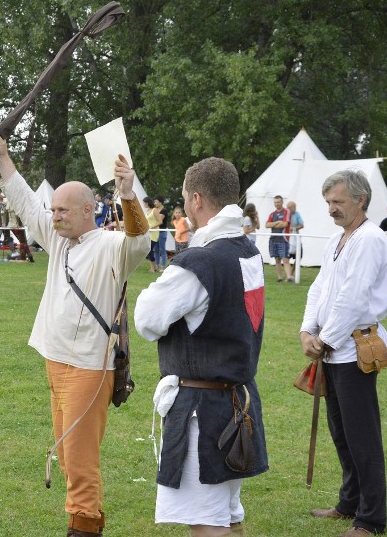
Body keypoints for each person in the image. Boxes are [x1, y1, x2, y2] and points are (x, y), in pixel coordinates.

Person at [0, 133, 149, 537]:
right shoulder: (58, 240)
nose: (54, 216)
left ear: (88, 210)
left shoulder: (112, 246)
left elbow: (139, 240)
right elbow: (25, 203)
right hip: (55, 360)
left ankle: (84, 526)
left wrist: (127, 195)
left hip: (89, 367)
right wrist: (4, 159)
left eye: (63, 210)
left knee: (78, 456)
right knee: (65, 451)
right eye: (53, 209)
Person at [135, 157, 268, 537]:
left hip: (205, 412)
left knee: (209, 524)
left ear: (196, 199)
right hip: (236, 402)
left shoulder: (201, 262)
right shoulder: (247, 250)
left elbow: (146, 318)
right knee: (228, 515)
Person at [300, 170, 387, 536]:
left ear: (361, 200)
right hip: (333, 349)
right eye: (328, 203)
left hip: (354, 350)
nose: (331, 209)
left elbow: (353, 298)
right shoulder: (339, 239)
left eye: (338, 202)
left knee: (362, 436)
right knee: (341, 432)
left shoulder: (370, 239)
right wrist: (308, 329)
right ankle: (349, 502)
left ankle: (371, 519)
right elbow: (321, 288)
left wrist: (326, 339)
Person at [265, 195, 293, 282]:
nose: (276, 204)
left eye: (278, 202)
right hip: (273, 239)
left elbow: (285, 224)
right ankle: (280, 278)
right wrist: (277, 222)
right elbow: (267, 225)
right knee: (277, 259)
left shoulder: (286, 212)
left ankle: (289, 277)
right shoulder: (272, 214)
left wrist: (272, 224)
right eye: (275, 202)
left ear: (282, 202)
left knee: (285, 259)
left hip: (283, 239)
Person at [144, 196, 164, 273]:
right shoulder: (147, 211)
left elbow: (160, 221)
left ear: (147, 202)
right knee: (148, 250)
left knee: (150, 250)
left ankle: (153, 268)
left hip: (154, 232)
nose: (144, 204)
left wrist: (152, 227)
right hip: (148, 232)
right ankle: (154, 267)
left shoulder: (154, 210)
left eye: (145, 203)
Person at [154, 196, 168, 270]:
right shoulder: (155, 210)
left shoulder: (164, 210)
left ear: (160, 202)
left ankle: (163, 266)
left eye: (156, 201)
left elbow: (159, 220)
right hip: (155, 232)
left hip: (162, 232)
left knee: (162, 249)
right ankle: (156, 265)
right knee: (156, 249)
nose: (155, 203)